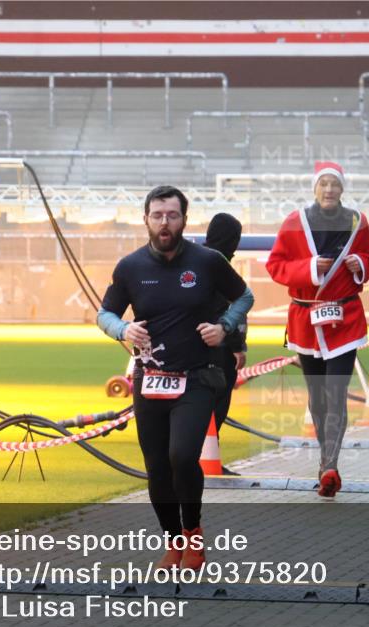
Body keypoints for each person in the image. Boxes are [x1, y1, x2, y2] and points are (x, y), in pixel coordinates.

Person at [97, 186, 254, 571]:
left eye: (172, 215)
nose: (164, 223)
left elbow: (244, 296)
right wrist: (123, 329)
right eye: (157, 215)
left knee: (183, 456)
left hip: (198, 376)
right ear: (146, 219)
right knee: (157, 467)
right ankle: (173, 542)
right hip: (149, 379)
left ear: (184, 218)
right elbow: (104, 314)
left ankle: (193, 533)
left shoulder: (208, 261)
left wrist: (225, 326)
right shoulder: (130, 267)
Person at [266, 161, 369, 499]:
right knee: (317, 398)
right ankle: (324, 459)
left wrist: (361, 265)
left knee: (335, 393)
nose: (329, 190)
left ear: (343, 189)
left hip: (344, 318)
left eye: (335, 184)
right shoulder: (294, 222)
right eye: (324, 184)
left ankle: (331, 465)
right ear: (315, 188)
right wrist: (309, 268)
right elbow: (276, 266)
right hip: (305, 321)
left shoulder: (357, 222)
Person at [203, 213, 248, 429]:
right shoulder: (221, 267)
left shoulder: (190, 260)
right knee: (215, 407)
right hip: (218, 351)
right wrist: (237, 347)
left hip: (183, 348)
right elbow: (232, 312)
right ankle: (208, 460)